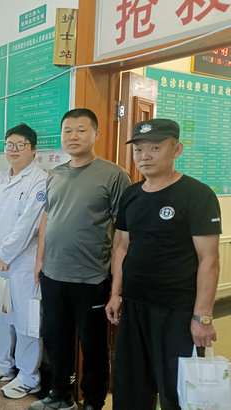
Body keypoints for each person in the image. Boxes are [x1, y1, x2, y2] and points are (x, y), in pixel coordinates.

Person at [106, 119, 221, 410]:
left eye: (155, 148)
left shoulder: (197, 195)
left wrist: (202, 317)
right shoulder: (131, 195)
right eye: (139, 149)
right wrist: (116, 293)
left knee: (176, 392)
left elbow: (209, 260)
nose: (145, 156)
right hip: (134, 306)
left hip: (177, 311)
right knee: (130, 387)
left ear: (177, 149)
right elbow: (121, 247)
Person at [32, 108, 130, 410]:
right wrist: (40, 261)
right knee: (55, 338)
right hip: (53, 274)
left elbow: (122, 234)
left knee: (94, 345)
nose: (73, 136)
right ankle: (60, 394)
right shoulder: (55, 174)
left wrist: (116, 286)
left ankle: (93, 401)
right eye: (68, 130)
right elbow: (47, 218)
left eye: (81, 130)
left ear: (96, 134)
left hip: (92, 277)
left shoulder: (114, 175)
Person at [0, 124, 46, 400]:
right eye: (9, 145)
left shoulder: (40, 180)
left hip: (22, 262)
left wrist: (4, 255)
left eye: (20, 145)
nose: (13, 150)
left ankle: (28, 376)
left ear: (33, 149)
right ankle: (0, 364)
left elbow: (29, 223)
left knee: (26, 319)